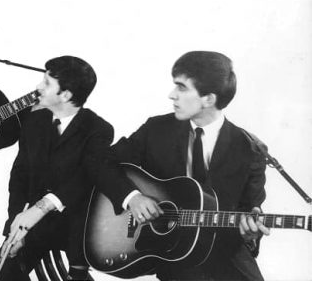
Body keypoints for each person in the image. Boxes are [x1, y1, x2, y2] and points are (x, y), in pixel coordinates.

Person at [89, 51, 269, 280]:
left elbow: (249, 210)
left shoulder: (250, 150)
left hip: (224, 252)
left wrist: (250, 234)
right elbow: (100, 162)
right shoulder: (156, 130)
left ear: (209, 99)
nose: (171, 95)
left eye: (182, 88)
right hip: (170, 250)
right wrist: (132, 197)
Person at [0, 56, 114, 280]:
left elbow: (85, 180)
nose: (38, 87)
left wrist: (40, 209)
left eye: (47, 83)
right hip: (33, 228)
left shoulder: (99, 130)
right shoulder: (34, 122)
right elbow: (19, 178)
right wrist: (14, 227)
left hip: (77, 231)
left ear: (66, 95)